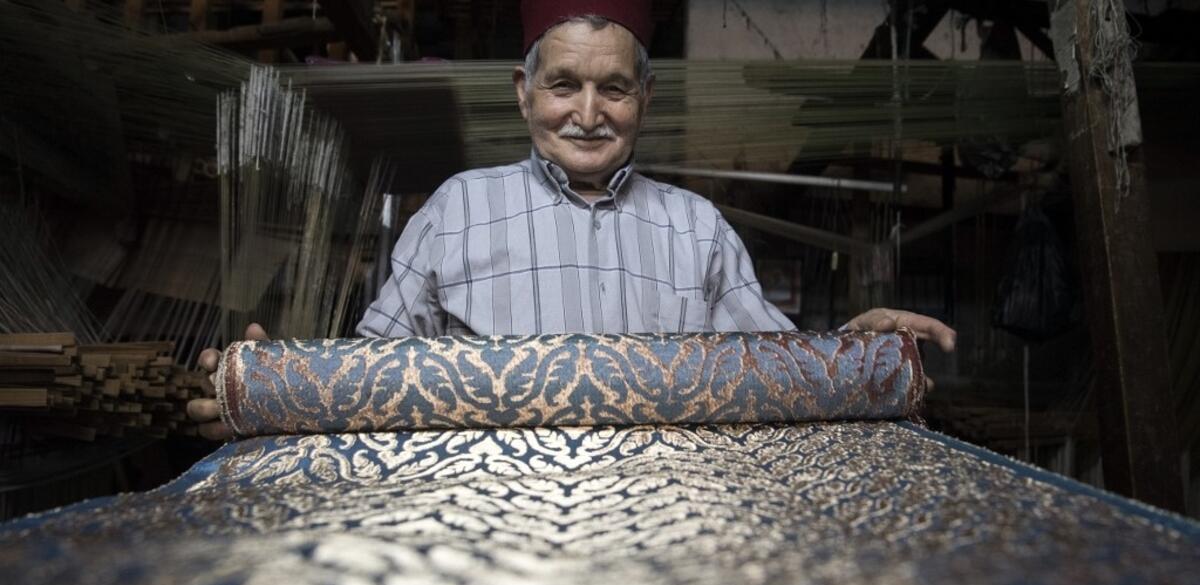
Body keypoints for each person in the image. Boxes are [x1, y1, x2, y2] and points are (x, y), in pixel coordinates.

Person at [187, 0, 955, 440]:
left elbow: (780, 375)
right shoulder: (459, 208)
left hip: (671, 519)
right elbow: (377, 372)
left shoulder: (697, 228)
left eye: (614, 89)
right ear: (524, 91)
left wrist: (856, 347)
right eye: (563, 86)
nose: (587, 115)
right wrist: (281, 386)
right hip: (483, 522)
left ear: (645, 98)